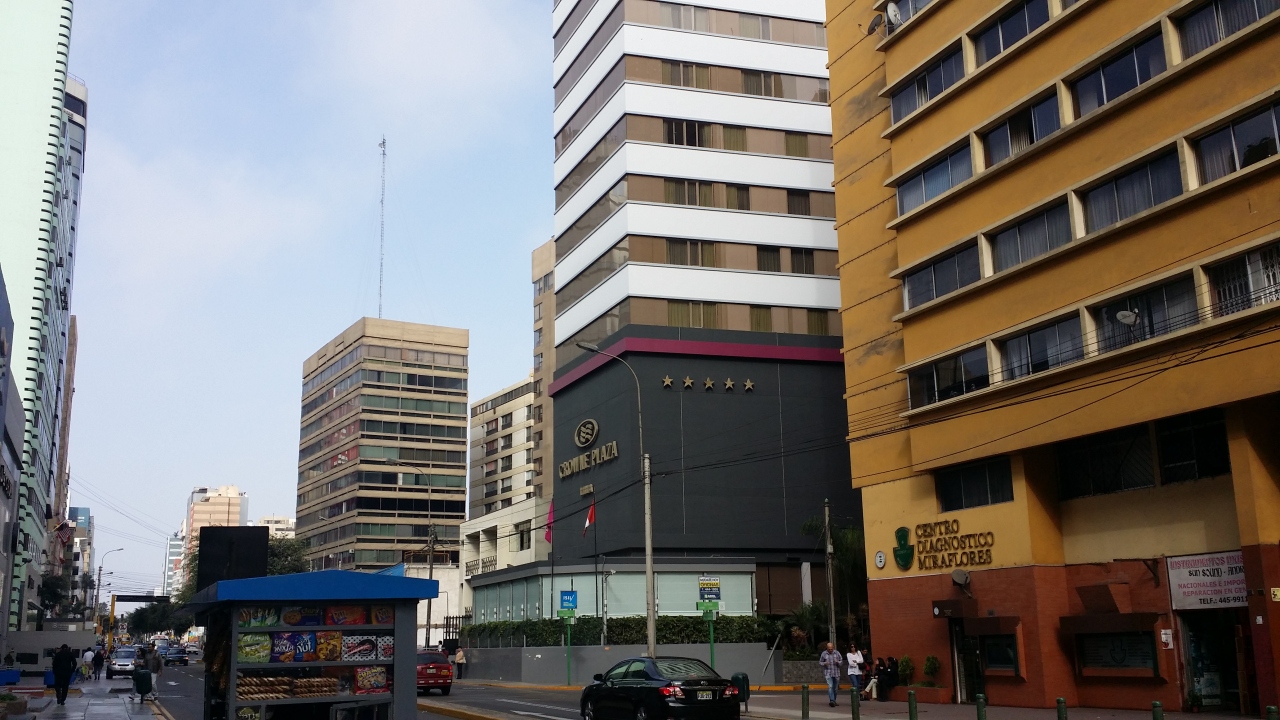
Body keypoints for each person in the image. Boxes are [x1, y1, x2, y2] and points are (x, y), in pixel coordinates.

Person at [818, 641, 842, 707]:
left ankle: (834, 700)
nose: (830, 650)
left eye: (831, 649)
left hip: (836, 673)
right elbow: (820, 662)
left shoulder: (837, 653)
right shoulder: (824, 654)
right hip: (828, 673)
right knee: (830, 686)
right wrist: (824, 663)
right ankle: (832, 700)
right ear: (827, 648)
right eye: (829, 649)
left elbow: (841, 661)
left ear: (833, 648)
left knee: (835, 688)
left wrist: (838, 662)